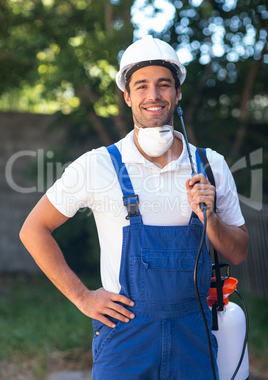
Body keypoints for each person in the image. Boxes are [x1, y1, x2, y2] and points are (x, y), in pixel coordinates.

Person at [20, 35, 249, 379]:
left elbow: (240, 251)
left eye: (163, 85)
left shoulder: (210, 165)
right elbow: (33, 230)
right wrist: (83, 297)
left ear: (178, 93)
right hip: (125, 339)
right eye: (141, 86)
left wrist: (210, 218)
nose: (153, 95)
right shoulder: (97, 165)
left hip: (195, 337)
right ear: (127, 96)